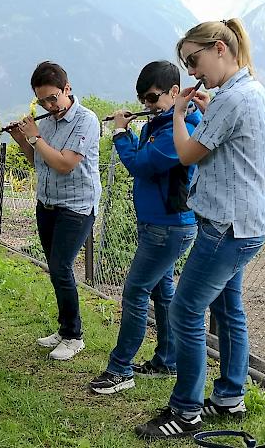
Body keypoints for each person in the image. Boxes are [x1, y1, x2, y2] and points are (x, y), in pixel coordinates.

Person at [136, 19, 265, 438]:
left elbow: (188, 153)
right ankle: (230, 397)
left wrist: (179, 114)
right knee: (228, 310)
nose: (192, 72)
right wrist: (205, 111)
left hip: (225, 226)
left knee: (186, 310)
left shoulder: (234, 98)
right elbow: (230, 139)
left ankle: (186, 410)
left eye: (194, 61)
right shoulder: (248, 91)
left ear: (219, 49)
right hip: (246, 221)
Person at [88, 61, 201, 394]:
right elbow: (143, 155)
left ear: (175, 92)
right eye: (144, 100)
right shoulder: (160, 123)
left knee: (135, 291)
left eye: (153, 98)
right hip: (157, 224)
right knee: (161, 290)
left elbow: (141, 165)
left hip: (169, 228)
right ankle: (168, 359)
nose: (148, 106)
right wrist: (133, 133)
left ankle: (120, 369)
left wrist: (121, 133)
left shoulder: (185, 127)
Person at [9, 61, 101, 361]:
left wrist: (35, 137)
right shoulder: (45, 123)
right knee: (55, 269)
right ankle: (64, 330)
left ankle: (74, 336)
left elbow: (64, 163)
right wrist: (22, 139)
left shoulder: (86, 120)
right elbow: (39, 161)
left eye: (53, 98)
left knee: (61, 267)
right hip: (46, 203)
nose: (49, 105)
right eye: (42, 100)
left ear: (67, 89)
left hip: (76, 206)